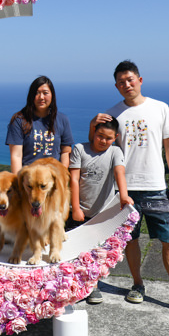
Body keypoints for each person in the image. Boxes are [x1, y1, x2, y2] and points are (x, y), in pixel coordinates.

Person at [91, 60, 169, 310]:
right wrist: (94, 125)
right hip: (125, 189)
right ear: (116, 86)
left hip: (156, 186)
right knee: (131, 240)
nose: (127, 84)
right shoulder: (113, 114)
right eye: (121, 82)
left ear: (140, 80)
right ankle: (137, 285)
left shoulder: (160, 108)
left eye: (130, 79)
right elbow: (100, 146)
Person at [67, 116, 134, 304]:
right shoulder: (80, 149)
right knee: (75, 249)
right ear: (93, 133)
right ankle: (72, 285)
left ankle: (93, 286)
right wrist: (76, 209)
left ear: (115, 138)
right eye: (100, 136)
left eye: (108, 138)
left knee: (97, 252)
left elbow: (119, 172)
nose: (103, 141)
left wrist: (123, 195)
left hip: (102, 213)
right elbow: (74, 179)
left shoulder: (115, 151)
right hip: (79, 211)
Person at [6, 76, 74, 173]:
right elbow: (16, 156)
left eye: (45, 93)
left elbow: (66, 152)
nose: (41, 97)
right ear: (31, 96)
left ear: (52, 95)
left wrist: (61, 176)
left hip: (53, 178)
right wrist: (19, 184)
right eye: (37, 93)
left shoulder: (62, 119)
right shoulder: (19, 120)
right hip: (29, 180)